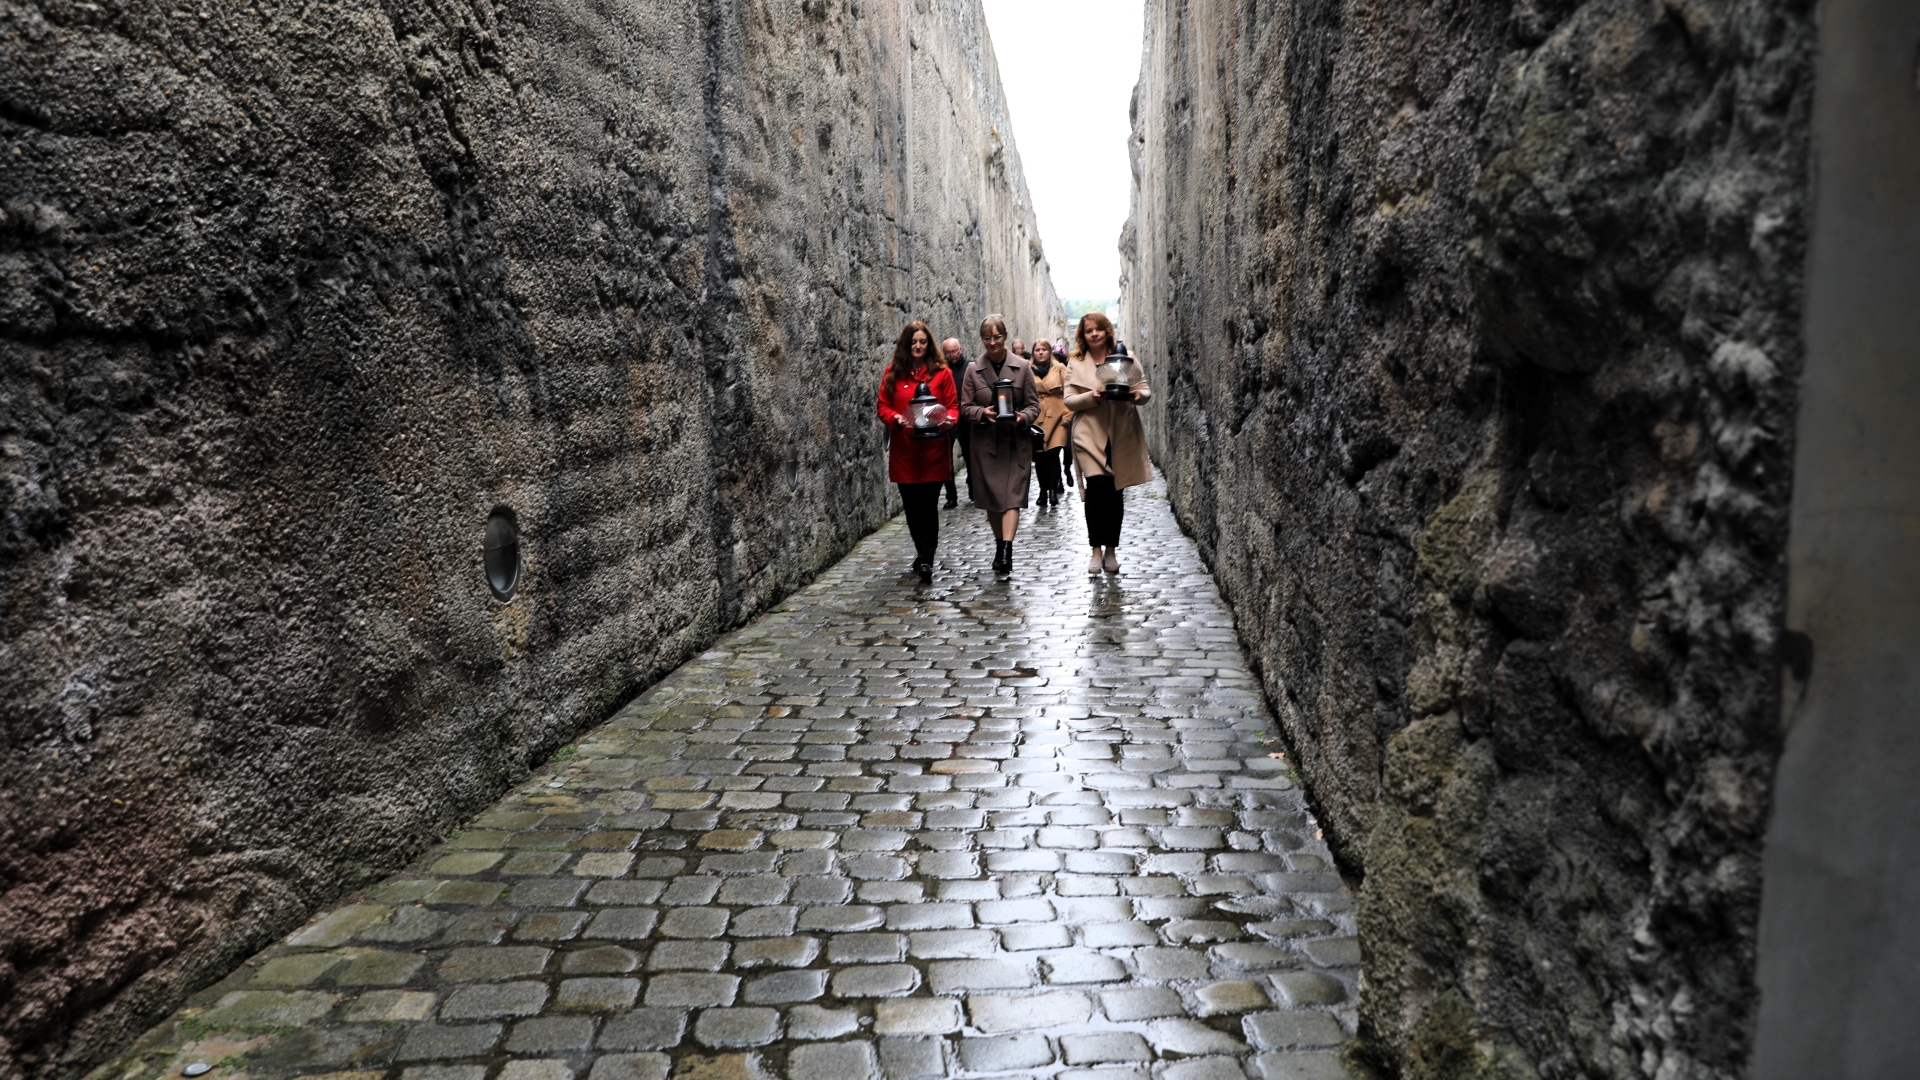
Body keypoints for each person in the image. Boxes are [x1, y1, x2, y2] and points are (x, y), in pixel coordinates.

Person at [1063, 311, 1152, 575]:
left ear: (1107, 331)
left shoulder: (1125, 356)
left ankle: (1111, 550)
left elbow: (1145, 389)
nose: (1094, 334)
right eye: (1088, 330)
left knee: (1115, 492)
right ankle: (1095, 551)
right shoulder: (1076, 362)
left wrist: (1138, 396)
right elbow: (1068, 400)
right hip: (1089, 434)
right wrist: (1092, 396)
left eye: (1098, 329)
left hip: (1121, 433)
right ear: (1083, 334)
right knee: (1096, 489)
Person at [876, 321, 958, 582]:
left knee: (929, 507)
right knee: (912, 509)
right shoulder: (893, 374)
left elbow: (953, 406)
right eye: (914, 342)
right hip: (906, 453)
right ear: (906, 345)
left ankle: (927, 561)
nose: (918, 346)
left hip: (934, 452)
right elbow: (882, 406)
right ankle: (922, 552)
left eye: (922, 341)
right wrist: (895, 419)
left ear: (929, 344)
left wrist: (947, 419)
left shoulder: (942, 374)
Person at [959, 315, 1040, 574]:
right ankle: (999, 543)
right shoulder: (973, 370)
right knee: (994, 500)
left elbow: (1033, 405)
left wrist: (1022, 417)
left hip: (1016, 443)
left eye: (996, 336)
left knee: (1012, 499)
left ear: (1005, 336)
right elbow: (965, 407)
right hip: (986, 444)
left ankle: (1007, 549)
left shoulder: (1023, 367)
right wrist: (983, 414)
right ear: (982, 340)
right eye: (987, 338)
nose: (992, 342)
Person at [1031, 339, 1071, 508]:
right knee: (1039, 457)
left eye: (1044, 349)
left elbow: (1070, 391)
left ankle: (1053, 491)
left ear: (1049, 352)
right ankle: (1042, 491)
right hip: (1037, 418)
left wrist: (1068, 416)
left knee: (1053, 455)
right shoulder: (1028, 371)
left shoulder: (1060, 368)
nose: (1040, 352)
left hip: (1058, 417)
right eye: (1037, 349)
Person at [942, 337, 969, 509]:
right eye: (949, 352)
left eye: (955, 351)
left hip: (966, 419)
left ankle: (974, 489)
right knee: (946, 460)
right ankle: (951, 496)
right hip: (947, 420)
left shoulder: (970, 367)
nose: (953, 355)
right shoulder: (940, 370)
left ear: (960, 349)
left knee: (970, 457)